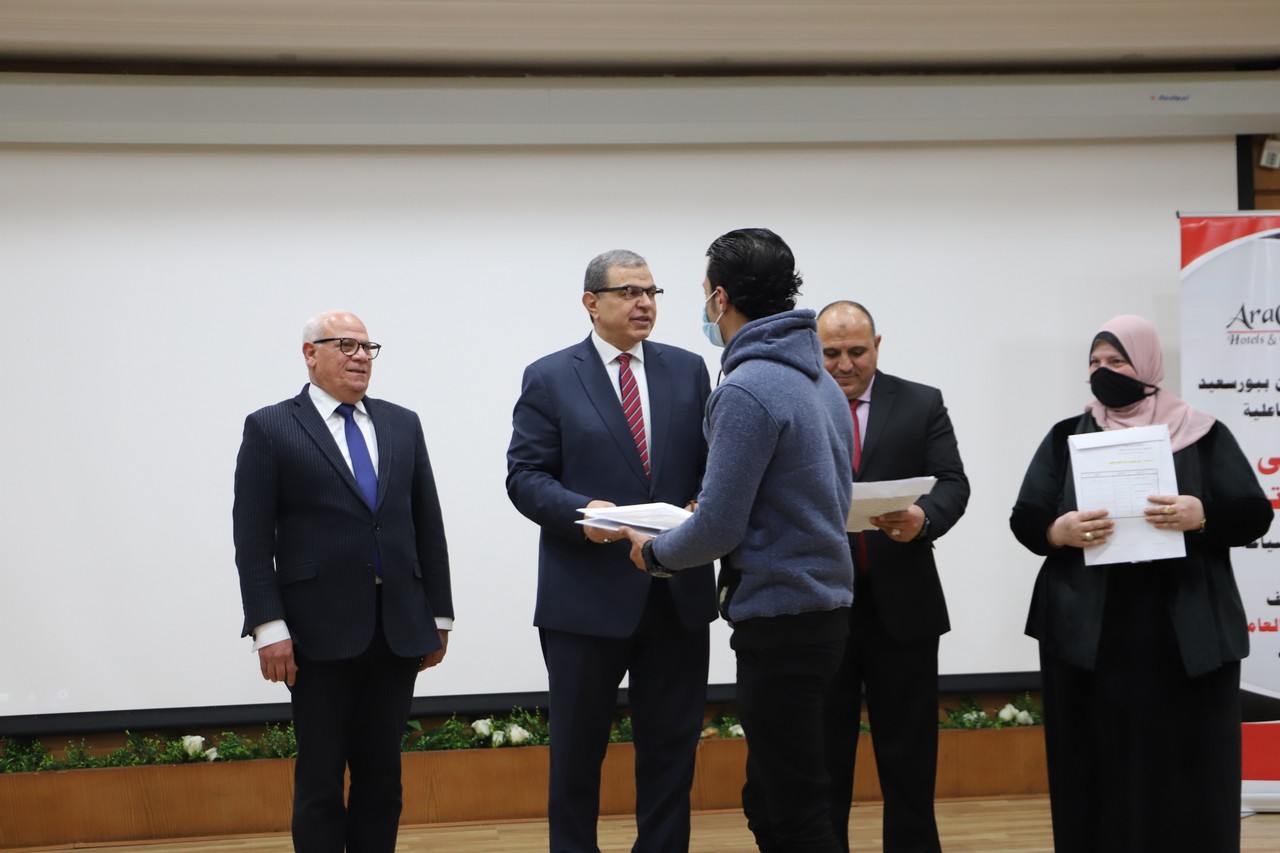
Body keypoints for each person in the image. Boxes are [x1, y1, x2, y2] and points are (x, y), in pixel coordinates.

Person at [618, 228, 855, 852]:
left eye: (703, 292)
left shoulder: (747, 388)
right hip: (823, 614)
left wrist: (656, 552)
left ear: (720, 298)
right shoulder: (819, 381)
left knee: (793, 813)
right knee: (774, 802)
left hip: (781, 621)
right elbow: (812, 495)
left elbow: (720, 528)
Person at [1009, 314, 1273, 852]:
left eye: (1117, 361)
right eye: (1095, 362)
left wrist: (1202, 516)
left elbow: (1253, 514)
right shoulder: (1067, 437)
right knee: (1094, 771)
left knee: (1185, 774)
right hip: (1089, 638)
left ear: (1148, 364)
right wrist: (1058, 531)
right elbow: (1026, 518)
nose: (1103, 371)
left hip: (1185, 636)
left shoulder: (1203, 434)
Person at [506, 250, 716, 853]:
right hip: (585, 598)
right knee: (577, 756)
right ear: (591, 302)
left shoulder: (689, 370)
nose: (644, 303)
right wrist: (585, 514)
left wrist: (703, 503)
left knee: (672, 753)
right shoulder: (550, 376)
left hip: (675, 592)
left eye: (651, 292)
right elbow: (525, 477)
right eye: (628, 292)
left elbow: (713, 464)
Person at [233, 310, 453, 853]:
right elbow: (252, 538)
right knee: (321, 778)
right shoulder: (271, 427)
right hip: (316, 632)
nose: (360, 357)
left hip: (397, 627)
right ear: (310, 354)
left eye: (367, 347)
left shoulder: (402, 424)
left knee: (382, 778)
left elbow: (426, 521)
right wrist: (267, 626)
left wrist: (439, 613)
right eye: (346, 345)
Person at [816, 301, 969, 853]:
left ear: (878, 345)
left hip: (904, 606)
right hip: (821, 604)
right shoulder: (798, 404)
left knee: (909, 757)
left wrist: (924, 517)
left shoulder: (920, 402)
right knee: (824, 758)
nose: (844, 364)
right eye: (831, 353)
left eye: (857, 351)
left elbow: (953, 482)